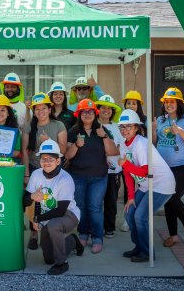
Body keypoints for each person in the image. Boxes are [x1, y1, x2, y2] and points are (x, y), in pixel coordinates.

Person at [118, 109, 175, 262]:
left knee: (140, 216)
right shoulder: (124, 145)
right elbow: (128, 174)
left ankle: (147, 252)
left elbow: (145, 171)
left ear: (136, 127)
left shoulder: (141, 144)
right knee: (129, 213)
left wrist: (125, 164)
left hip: (161, 184)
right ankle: (139, 246)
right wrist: (130, 197)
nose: (125, 130)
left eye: (128, 126)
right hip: (146, 184)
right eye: (122, 127)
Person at [65, 99, 118, 254]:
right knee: (81, 207)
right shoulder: (73, 131)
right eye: (84, 112)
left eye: (90, 112)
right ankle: (83, 233)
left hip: (99, 177)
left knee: (95, 208)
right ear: (79, 114)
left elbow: (113, 152)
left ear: (95, 114)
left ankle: (97, 237)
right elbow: (67, 155)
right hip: (78, 177)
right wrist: (76, 145)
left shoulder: (102, 130)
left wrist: (104, 137)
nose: (87, 114)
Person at [24, 139, 84, 275]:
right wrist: (32, 197)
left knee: (53, 226)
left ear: (58, 161)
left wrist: (38, 219)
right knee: (49, 258)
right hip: (47, 216)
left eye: (50, 159)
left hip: (69, 214)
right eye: (43, 159)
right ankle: (73, 241)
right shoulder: (36, 174)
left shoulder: (66, 179)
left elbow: (61, 210)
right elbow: (25, 201)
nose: (46, 162)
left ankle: (62, 264)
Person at [153, 87, 184, 249]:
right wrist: (153, 129)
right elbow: (155, 141)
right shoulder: (160, 120)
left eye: (172, 101)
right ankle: (173, 236)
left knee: (172, 198)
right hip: (164, 168)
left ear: (179, 103)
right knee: (168, 201)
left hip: (183, 167)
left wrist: (180, 131)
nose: (168, 104)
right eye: (166, 102)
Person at [22, 92, 67, 250]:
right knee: (33, 203)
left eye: (43, 108)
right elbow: (25, 151)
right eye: (37, 109)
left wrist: (49, 141)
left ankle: (49, 232)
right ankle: (34, 235)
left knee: (51, 201)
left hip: (54, 169)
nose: (40, 112)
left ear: (49, 109)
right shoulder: (29, 126)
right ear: (34, 111)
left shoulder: (58, 125)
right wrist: (27, 173)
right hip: (35, 169)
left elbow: (63, 149)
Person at [96, 94, 123, 239]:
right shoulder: (93, 125)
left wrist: (110, 155)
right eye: (103, 107)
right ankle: (96, 227)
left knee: (111, 201)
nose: (106, 110)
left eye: (109, 108)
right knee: (95, 201)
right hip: (96, 169)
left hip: (113, 171)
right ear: (98, 109)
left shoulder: (117, 128)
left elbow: (120, 146)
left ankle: (109, 227)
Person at [120, 90, 147, 232]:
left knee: (141, 191)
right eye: (128, 103)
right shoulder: (123, 120)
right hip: (128, 161)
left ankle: (140, 218)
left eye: (134, 103)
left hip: (142, 162)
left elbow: (148, 143)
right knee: (129, 188)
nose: (131, 105)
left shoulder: (145, 121)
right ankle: (127, 219)